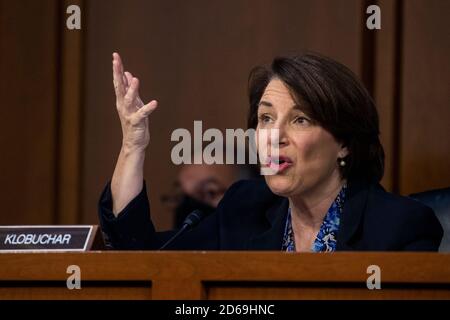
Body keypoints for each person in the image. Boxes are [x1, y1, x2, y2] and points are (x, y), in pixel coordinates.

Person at [98, 52, 443, 251]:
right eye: (265, 118)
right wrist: (133, 144)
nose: (273, 135)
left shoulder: (401, 227)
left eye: (301, 119)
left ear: (345, 143)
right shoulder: (245, 208)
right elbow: (141, 254)